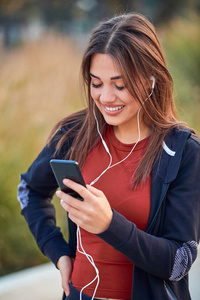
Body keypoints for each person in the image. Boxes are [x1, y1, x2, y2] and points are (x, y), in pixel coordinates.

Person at [17, 12, 200, 300]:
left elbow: (179, 261)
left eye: (120, 84)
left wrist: (109, 225)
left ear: (151, 79)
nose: (105, 98)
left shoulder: (182, 151)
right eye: (96, 83)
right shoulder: (73, 135)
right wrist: (59, 253)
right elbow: (29, 190)